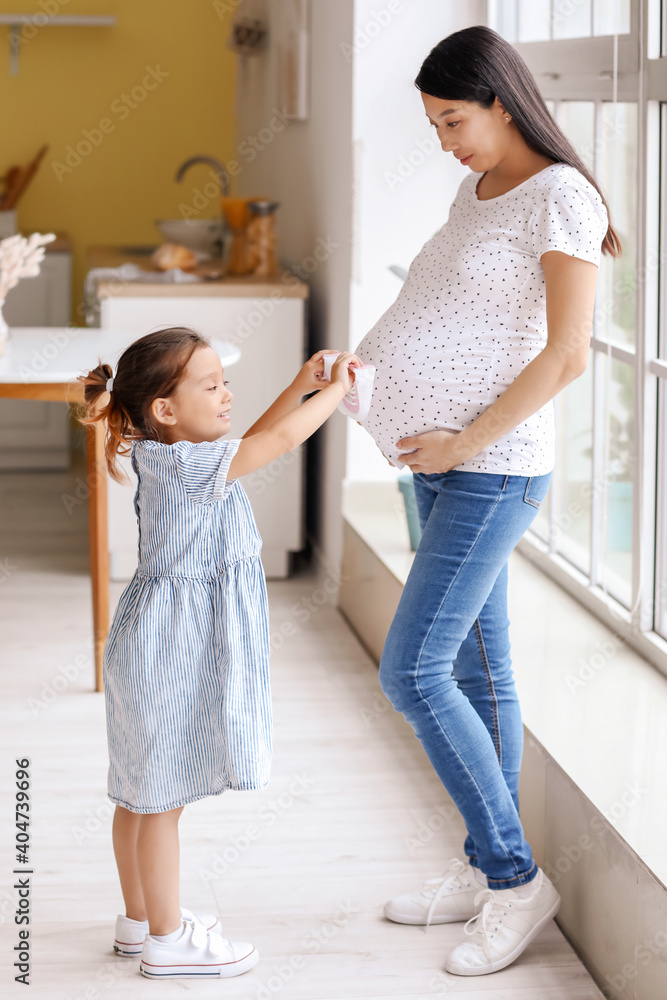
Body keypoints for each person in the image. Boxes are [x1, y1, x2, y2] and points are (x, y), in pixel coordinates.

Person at [353, 25, 620, 977]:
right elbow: (445, 312)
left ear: (502, 102)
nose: (444, 142)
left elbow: (566, 354)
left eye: (453, 120)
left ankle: (514, 881)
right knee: (478, 670)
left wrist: (464, 438)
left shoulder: (563, 197)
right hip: (438, 468)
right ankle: (482, 867)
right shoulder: (478, 192)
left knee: (412, 672)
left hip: (493, 469)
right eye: (431, 125)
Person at [78, 327, 360, 981]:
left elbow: (253, 441)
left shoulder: (173, 452)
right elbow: (280, 442)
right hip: (169, 649)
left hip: (148, 641)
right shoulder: (188, 465)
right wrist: (337, 392)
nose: (226, 393)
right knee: (161, 802)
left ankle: (141, 922)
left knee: (138, 797)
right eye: (210, 386)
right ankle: (169, 940)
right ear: (165, 410)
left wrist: (299, 384)